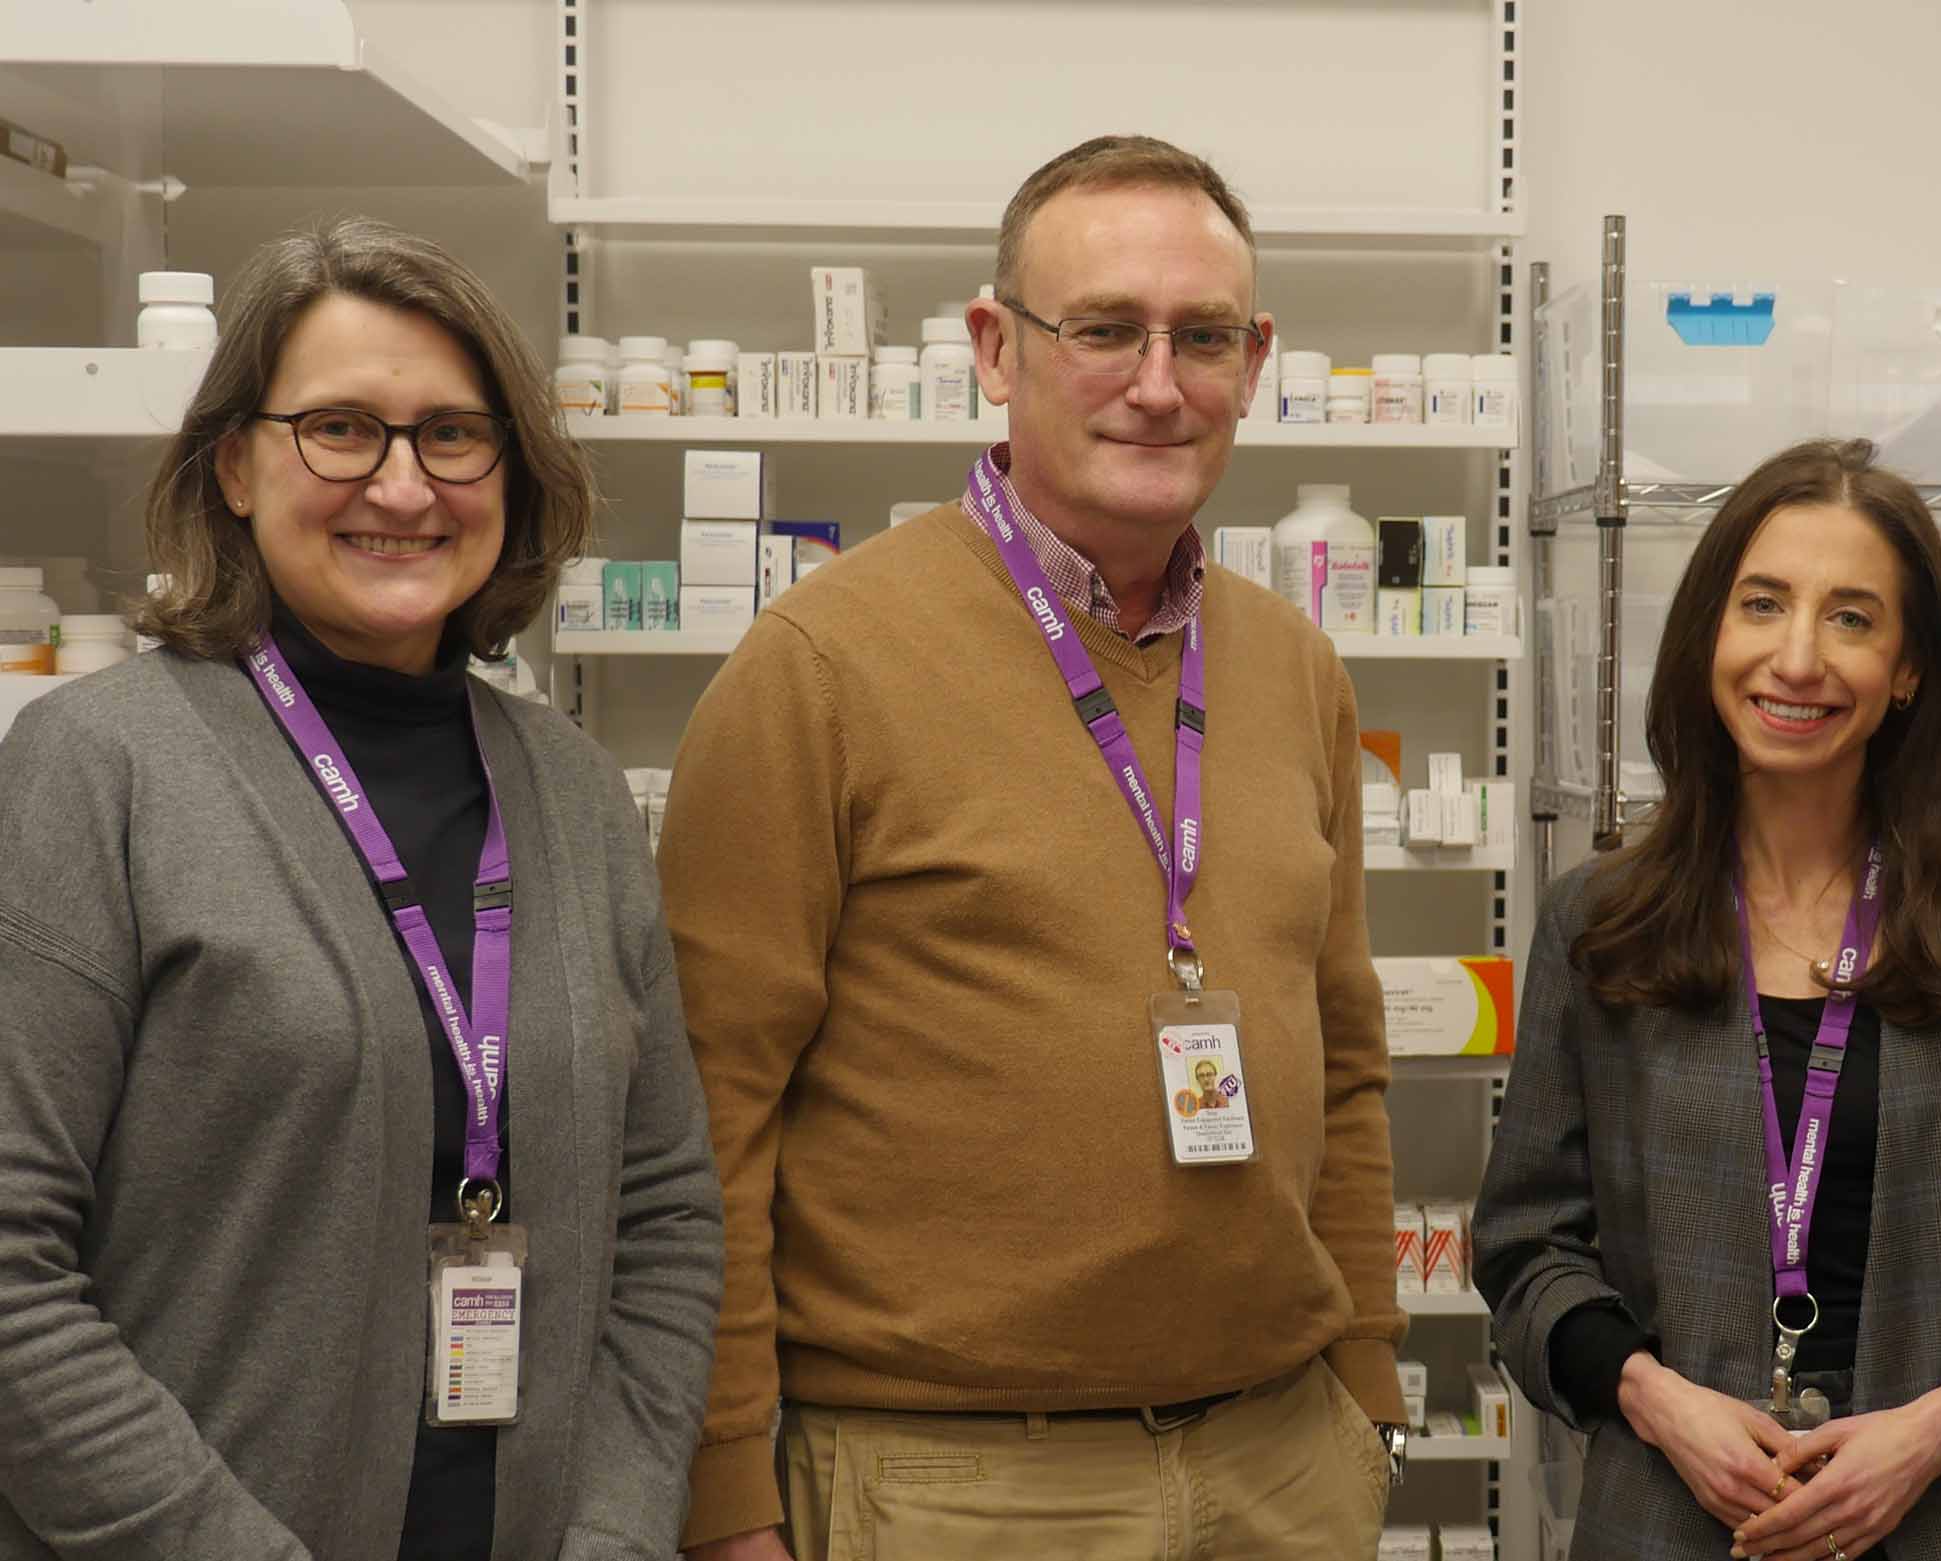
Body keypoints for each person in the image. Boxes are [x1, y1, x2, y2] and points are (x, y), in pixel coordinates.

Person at [665, 135, 1406, 1561]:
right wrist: (724, 1496)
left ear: (1254, 363)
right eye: (1105, 330)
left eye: (1201, 337)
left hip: (1280, 1469)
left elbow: (1348, 1053)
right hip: (950, 1485)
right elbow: (709, 1110)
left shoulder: (1296, 668)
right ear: (998, 349)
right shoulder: (818, 664)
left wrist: (1364, 1384)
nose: (1156, 382)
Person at [0, 217, 723, 1561]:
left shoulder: (570, 793)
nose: (403, 487)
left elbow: (666, 1218)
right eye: (339, 429)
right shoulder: (96, 768)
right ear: (233, 465)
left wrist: (617, 1533)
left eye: (453, 433)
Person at [1475, 439, 1941, 1561]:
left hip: (1935, 1519)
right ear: (1709, 633)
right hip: (1666, 1516)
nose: (1797, 658)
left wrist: (1938, 1428)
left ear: (1908, 670)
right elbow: (1523, 1249)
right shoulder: (1602, 918)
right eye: (1762, 604)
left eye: (1851, 618)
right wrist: (1658, 1401)